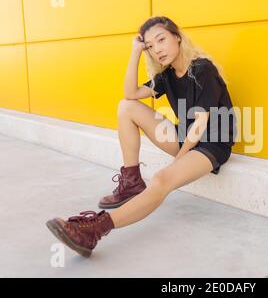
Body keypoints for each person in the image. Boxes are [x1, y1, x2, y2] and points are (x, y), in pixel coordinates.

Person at [46, 16, 237, 257]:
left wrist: (178, 162)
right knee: (126, 106)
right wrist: (135, 51)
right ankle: (131, 181)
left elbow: (200, 125)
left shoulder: (202, 69)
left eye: (161, 39)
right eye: (150, 45)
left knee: (162, 180)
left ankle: (94, 230)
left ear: (177, 37)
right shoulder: (167, 75)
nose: (157, 49)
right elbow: (131, 93)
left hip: (212, 143)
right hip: (184, 135)